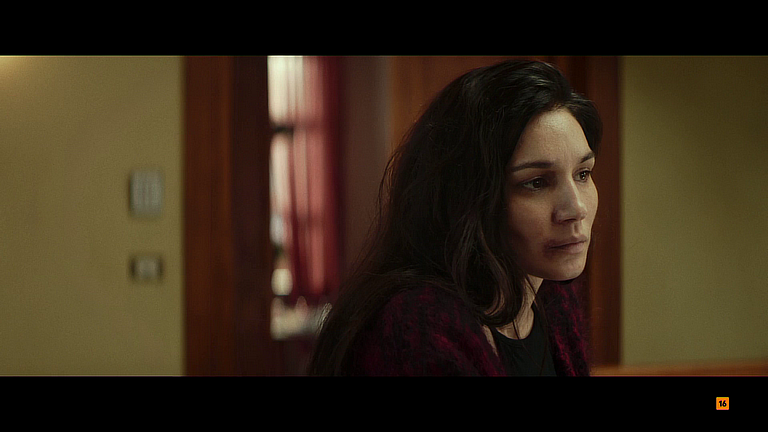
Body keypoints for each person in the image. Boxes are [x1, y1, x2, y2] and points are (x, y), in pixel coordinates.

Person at [307, 59, 601, 376]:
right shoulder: (417, 328)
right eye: (536, 182)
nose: (576, 209)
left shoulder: (553, 298)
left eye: (583, 174)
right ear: (468, 197)